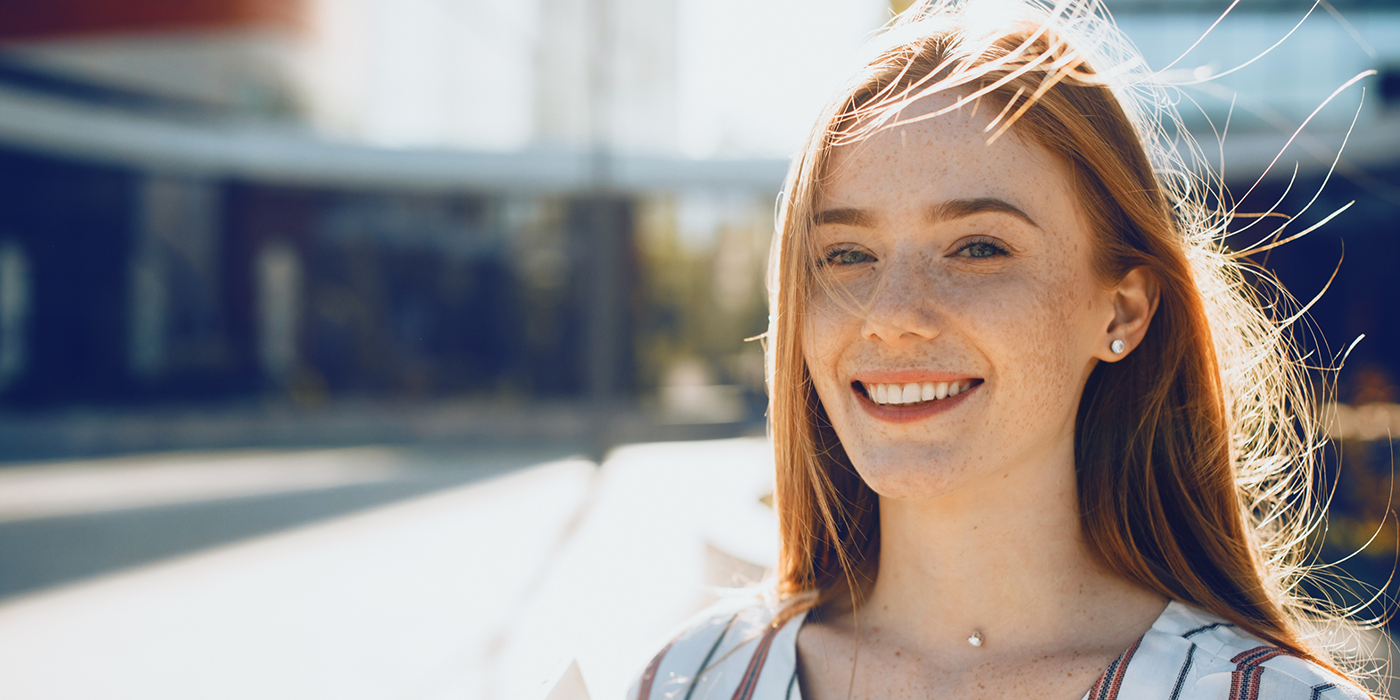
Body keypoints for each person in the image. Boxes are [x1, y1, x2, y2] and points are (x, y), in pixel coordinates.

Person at [630, 0, 1375, 698]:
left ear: (1122, 309)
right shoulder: (690, 679)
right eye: (847, 255)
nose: (890, 316)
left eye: (978, 247)